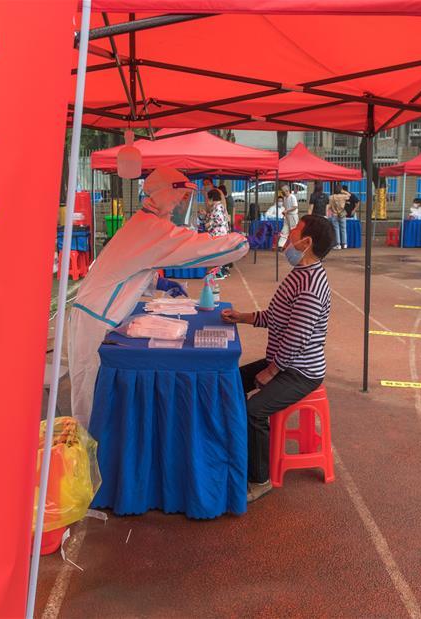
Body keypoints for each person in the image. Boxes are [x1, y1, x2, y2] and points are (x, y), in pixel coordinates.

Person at [68, 167, 250, 427]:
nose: (181, 203)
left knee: (93, 391)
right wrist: (240, 242)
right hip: (96, 320)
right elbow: (199, 248)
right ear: (164, 192)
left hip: (97, 314)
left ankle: (96, 448)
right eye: (179, 196)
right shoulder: (152, 228)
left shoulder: (143, 223)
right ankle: (88, 456)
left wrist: (160, 282)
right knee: (91, 396)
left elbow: (131, 267)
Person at [221, 215, 335, 502]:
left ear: (306, 243)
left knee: (254, 411)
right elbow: (276, 317)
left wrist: (271, 371)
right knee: (228, 380)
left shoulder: (310, 284)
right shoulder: (300, 273)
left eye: (293, 231)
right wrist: (242, 317)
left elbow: (297, 337)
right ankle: (233, 451)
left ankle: (260, 480)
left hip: (300, 372)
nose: (287, 236)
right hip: (286, 362)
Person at [327, 185, 349, 249]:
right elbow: (349, 195)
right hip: (342, 214)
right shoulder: (343, 196)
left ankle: (338, 244)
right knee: (343, 229)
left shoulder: (331, 197)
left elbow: (329, 206)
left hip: (334, 214)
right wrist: (343, 191)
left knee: (336, 229)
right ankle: (344, 244)